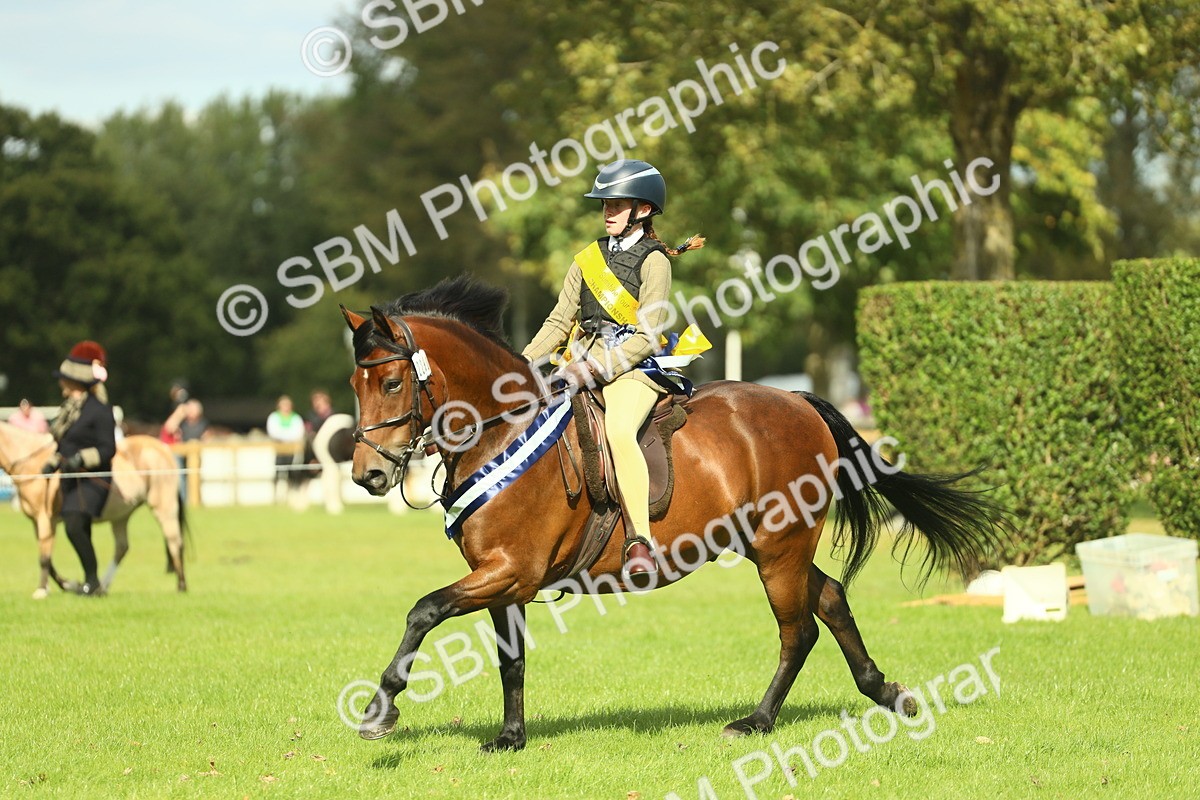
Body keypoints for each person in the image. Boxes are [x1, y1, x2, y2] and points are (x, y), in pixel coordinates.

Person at [522, 159, 707, 577]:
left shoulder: (656, 261)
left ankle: (639, 540)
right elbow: (558, 322)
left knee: (619, 429)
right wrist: (521, 362)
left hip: (634, 368)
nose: (607, 211)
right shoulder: (587, 259)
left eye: (617, 204)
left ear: (643, 209)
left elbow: (647, 335)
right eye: (604, 203)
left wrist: (595, 369)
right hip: (578, 361)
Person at [41, 341, 116, 596]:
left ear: (75, 381)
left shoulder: (100, 411)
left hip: (94, 480)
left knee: (73, 524)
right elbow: (66, 444)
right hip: (71, 480)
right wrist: (53, 463)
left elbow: (108, 449)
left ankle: (92, 582)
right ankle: (92, 583)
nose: (61, 383)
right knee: (76, 528)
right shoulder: (70, 411)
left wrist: (82, 458)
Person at [267, 394, 307, 504]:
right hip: (279, 450)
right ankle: (277, 497)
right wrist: (286, 437)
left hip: (292, 450)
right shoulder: (274, 417)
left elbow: (298, 433)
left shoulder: (295, 418)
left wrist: (285, 437)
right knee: (278, 473)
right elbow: (273, 432)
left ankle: (290, 496)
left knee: (292, 474)